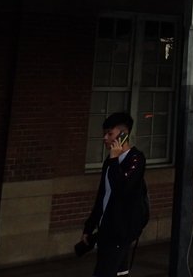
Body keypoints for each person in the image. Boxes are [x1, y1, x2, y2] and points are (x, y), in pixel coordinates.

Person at [80, 112, 147, 277]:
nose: (105, 138)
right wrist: (89, 226)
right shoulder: (109, 162)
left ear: (123, 135)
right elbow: (103, 196)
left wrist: (115, 159)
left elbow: (122, 188)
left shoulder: (136, 159)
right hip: (106, 229)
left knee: (104, 272)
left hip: (120, 231)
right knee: (120, 272)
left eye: (110, 134)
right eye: (104, 134)